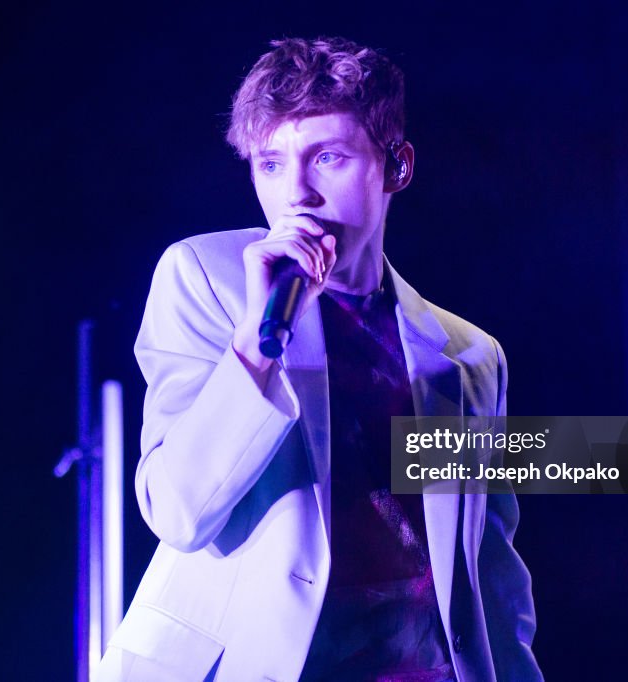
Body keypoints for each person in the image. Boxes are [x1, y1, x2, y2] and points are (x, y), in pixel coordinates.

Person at [96, 37, 541, 681]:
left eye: (327, 157)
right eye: (270, 164)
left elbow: (489, 577)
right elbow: (179, 512)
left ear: (395, 166)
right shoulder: (207, 277)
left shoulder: (470, 357)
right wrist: (257, 341)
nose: (296, 193)